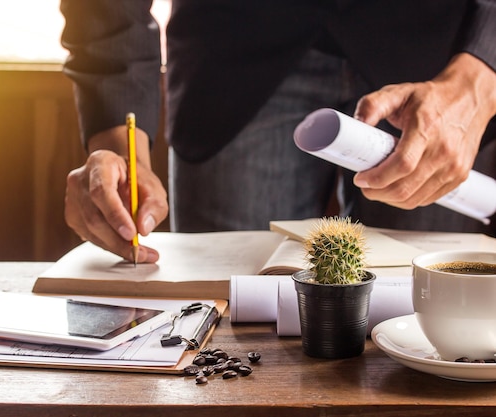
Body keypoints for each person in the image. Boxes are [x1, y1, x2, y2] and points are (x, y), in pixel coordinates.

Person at [59, 0, 496, 263]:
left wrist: (479, 76)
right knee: (220, 326)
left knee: (430, 322)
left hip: (442, 56)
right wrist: (122, 149)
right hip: (235, 49)